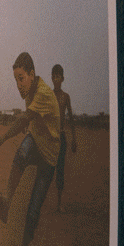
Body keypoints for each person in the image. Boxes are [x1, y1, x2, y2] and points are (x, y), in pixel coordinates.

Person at [0, 52, 61, 246]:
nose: (19, 85)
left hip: (49, 156)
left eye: (21, 79)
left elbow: (23, 120)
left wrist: (2, 138)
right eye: (15, 80)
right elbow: (26, 122)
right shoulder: (30, 92)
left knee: (32, 213)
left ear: (31, 75)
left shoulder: (42, 94)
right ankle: (8, 202)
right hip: (35, 139)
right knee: (21, 154)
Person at [51, 64, 78, 212]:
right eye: (53, 76)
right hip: (49, 137)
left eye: (58, 76)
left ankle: (59, 203)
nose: (56, 79)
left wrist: (74, 138)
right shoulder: (48, 95)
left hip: (61, 137)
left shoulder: (65, 97)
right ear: (51, 78)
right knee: (46, 169)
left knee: (60, 170)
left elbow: (71, 118)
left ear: (63, 78)